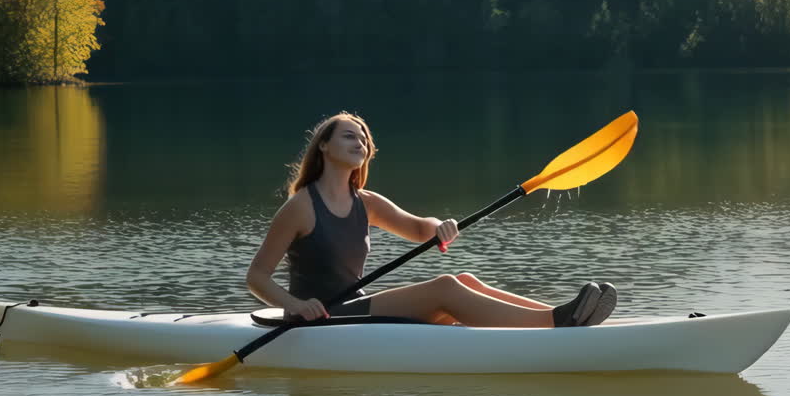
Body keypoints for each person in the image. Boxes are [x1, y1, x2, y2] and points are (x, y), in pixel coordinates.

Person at [246, 112, 617, 327]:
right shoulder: (301, 207)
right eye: (349, 136)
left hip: (354, 306)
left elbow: (418, 228)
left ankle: (565, 316)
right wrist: (296, 305)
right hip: (325, 318)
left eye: (363, 138)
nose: (360, 142)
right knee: (444, 288)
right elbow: (257, 277)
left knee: (464, 280)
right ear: (323, 146)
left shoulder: (367, 203)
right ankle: (556, 322)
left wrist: (441, 226)